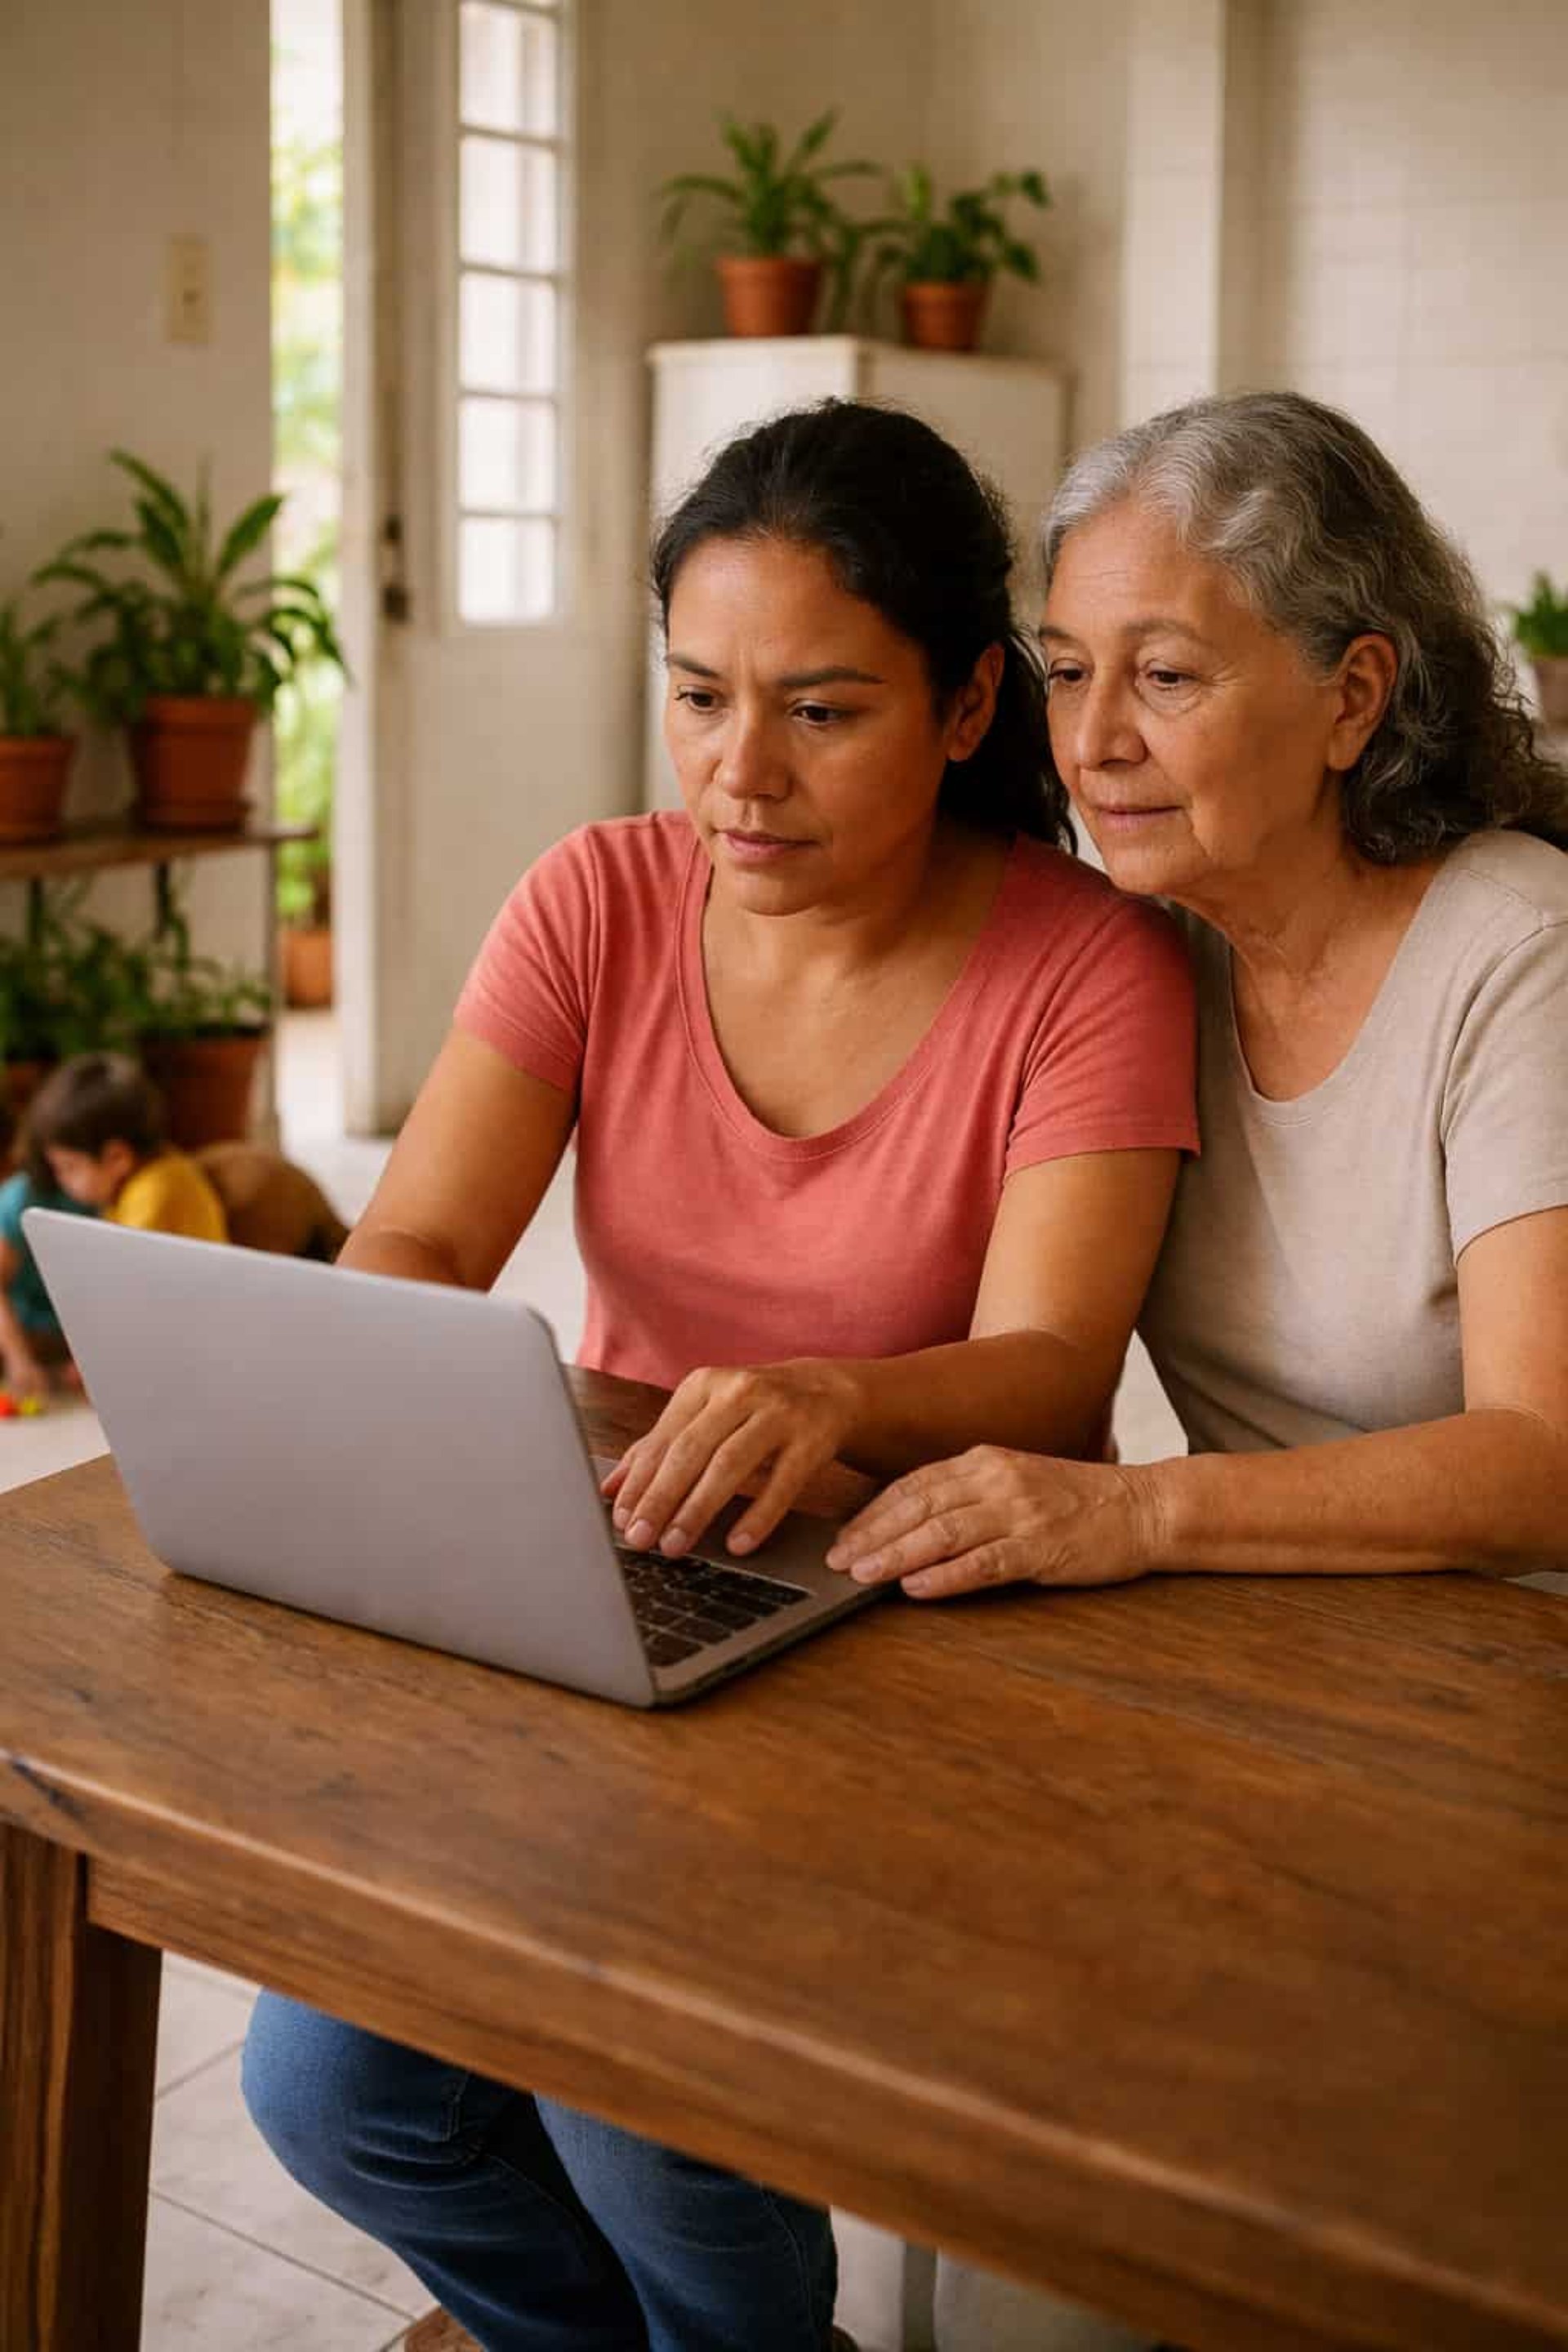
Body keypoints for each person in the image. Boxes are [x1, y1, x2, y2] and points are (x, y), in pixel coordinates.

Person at [242, 398, 1200, 2352]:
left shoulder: (1090, 965)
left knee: (634, 2103)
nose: (738, 775)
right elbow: (413, 1246)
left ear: (966, 706)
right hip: (615, 1569)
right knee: (325, 2089)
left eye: (821, 712)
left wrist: (837, 1395)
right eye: (697, 698)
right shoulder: (594, 899)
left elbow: (1049, 1368)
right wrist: (423, 1399)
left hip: (918, 1618)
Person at [826, 390, 1568, 1610]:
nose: (1095, 742)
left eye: (1166, 676)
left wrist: (1143, 1508)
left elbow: (1546, 1461)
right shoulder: (1139, 952)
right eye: (1070, 673)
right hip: (1261, 1626)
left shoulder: (1522, 951)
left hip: (1509, 1653)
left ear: (1353, 698)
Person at [27, 1052, 229, 1241]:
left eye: (69, 1167)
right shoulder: (134, 1183)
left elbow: (127, 1263)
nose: (60, 1178)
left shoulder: (153, 1195)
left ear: (117, 1158)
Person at [0, 1100, 96, 1396]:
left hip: (77, 1339)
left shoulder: (102, 1194)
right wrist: (19, 1359)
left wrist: (91, 1350)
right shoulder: (20, 1199)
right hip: (31, 1337)